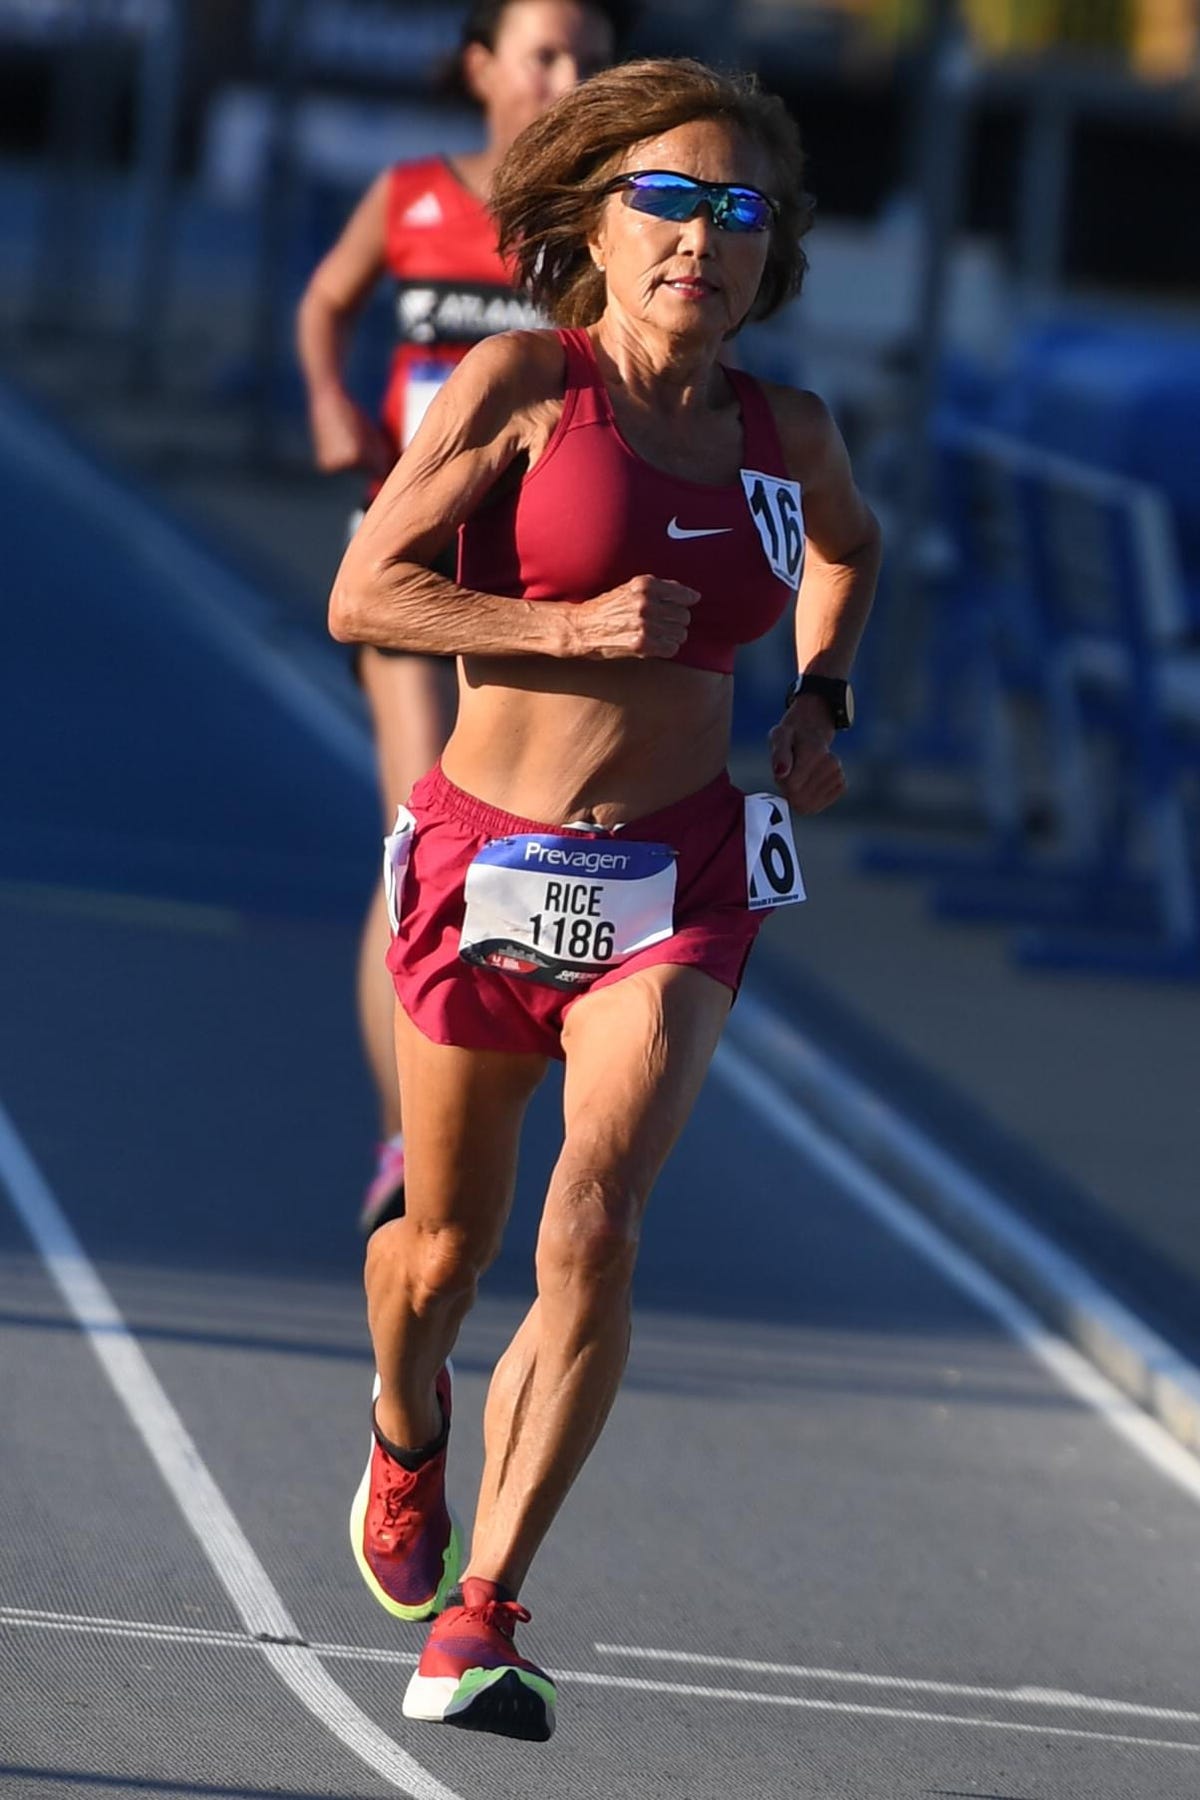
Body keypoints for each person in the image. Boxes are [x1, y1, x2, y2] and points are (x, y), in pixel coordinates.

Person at [329, 55, 881, 1743]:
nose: (700, 238)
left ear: (767, 253)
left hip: (681, 874)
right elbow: (368, 587)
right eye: (666, 198)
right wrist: (565, 630)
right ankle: (408, 1423)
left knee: (600, 1219)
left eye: (737, 212)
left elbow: (853, 550)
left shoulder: (787, 433)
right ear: (593, 217)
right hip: (489, 859)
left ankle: (483, 1615)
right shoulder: (519, 380)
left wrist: (819, 697)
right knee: (447, 1246)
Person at [296, 0, 628, 1235]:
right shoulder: (412, 198)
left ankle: (480, 1103)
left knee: (516, 844)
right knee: (418, 827)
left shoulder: (600, 225)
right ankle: (404, 1144)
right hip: (408, 562)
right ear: (483, 66)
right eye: (545, 54)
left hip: (534, 580)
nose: (568, 76)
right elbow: (323, 304)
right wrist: (334, 409)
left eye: (591, 59)